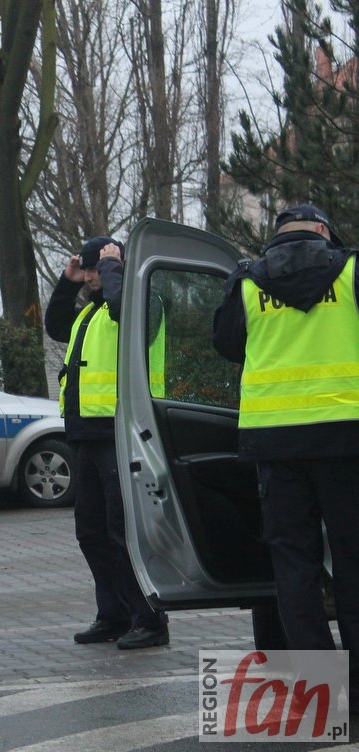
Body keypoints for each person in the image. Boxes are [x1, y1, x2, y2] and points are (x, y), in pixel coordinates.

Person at [213, 203, 359, 700]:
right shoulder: (352, 269)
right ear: (322, 231)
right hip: (346, 440)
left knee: (294, 568)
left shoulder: (247, 282)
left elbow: (228, 345)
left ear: (276, 235)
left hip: (274, 443)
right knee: (353, 561)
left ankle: (322, 690)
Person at [44, 236, 169, 650]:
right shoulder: (90, 314)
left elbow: (125, 309)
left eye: (98, 269)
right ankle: (113, 614)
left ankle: (149, 619)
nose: (93, 276)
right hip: (86, 437)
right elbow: (55, 325)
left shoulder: (138, 305)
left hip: (122, 433)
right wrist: (67, 281)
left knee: (123, 532)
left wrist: (116, 267)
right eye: (91, 269)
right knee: (92, 533)